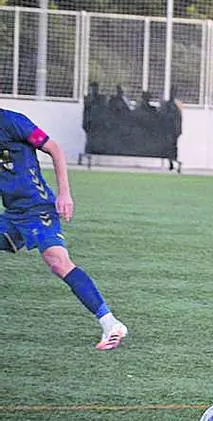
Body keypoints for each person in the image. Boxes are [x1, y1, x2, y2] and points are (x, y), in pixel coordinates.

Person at [0, 109, 128, 350]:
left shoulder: (11, 121)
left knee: (58, 262)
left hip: (37, 209)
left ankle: (110, 323)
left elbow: (55, 149)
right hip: (12, 214)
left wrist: (64, 193)